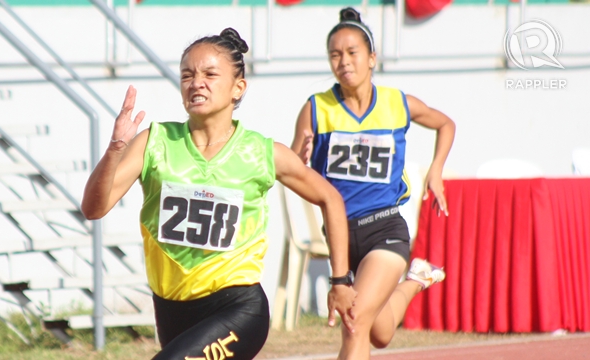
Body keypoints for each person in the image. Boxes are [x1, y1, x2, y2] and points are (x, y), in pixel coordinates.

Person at [81, 28, 356, 360]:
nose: (197, 82)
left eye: (210, 74)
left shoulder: (263, 153)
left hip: (238, 308)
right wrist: (115, 148)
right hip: (171, 309)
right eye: (187, 74)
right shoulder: (154, 142)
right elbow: (93, 208)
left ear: (238, 87)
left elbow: (331, 199)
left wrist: (340, 279)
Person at [290, 8, 456, 360]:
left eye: (352, 53)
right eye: (335, 55)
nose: (344, 61)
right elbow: (292, 171)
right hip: (339, 237)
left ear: (372, 58)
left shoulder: (398, 104)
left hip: (385, 228)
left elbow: (446, 124)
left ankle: (407, 273)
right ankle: (415, 281)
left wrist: (436, 171)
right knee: (378, 332)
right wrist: (301, 160)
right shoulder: (316, 109)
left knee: (354, 321)